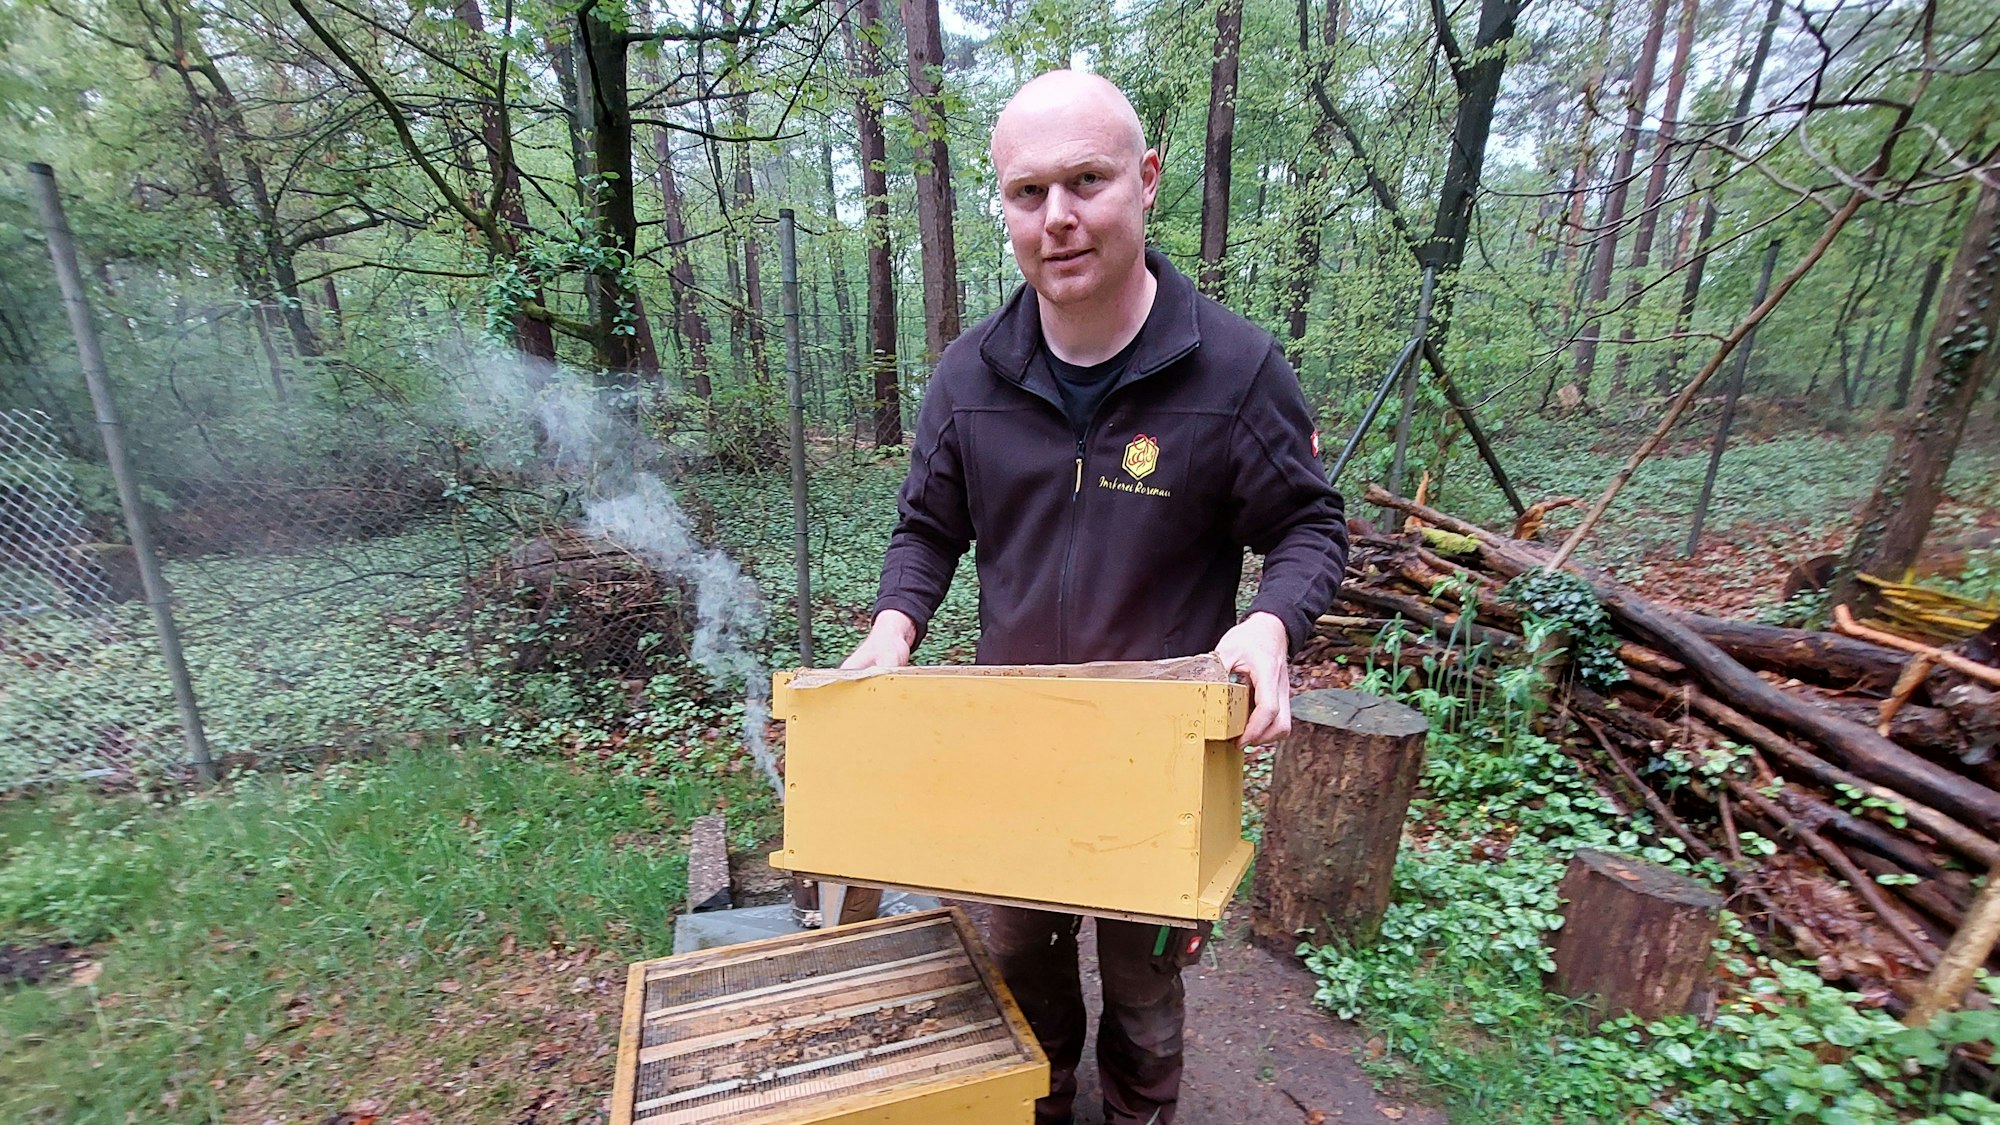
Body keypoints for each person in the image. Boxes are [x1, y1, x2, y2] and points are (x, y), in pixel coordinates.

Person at [840, 69, 1348, 1125]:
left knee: (1145, 992)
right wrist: (893, 630)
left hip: (1163, 771)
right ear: (1004, 207)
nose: (1057, 219)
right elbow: (928, 529)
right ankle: (1041, 1103)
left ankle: (1137, 1111)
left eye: (1086, 181)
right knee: (1017, 971)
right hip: (1011, 751)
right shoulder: (967, 377)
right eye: (1028, 194)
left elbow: (1307, 527)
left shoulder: (1236, 371)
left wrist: (1269, 620)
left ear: (1146, 179)